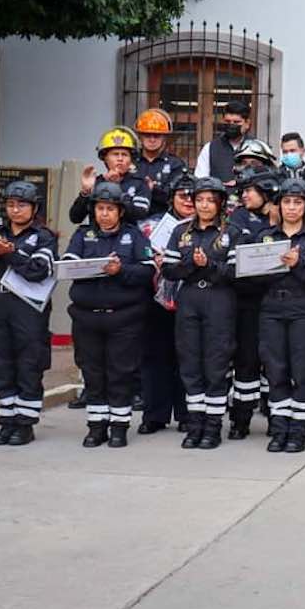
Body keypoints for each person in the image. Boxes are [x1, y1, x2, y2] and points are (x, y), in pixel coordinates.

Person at [61, 182, 155, 448]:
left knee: (120, 372)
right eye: (100, 208)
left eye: (110, 209)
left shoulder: (134, 236)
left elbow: (147, 271)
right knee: (92, 372)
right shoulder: (83, 235)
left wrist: (120, 270)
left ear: (120, 211)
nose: (104, 214)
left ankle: (119, 426)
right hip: (86, 317)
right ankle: (96, 426)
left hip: (124, 318)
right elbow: (67, 265)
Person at [0, 181, 57, 446]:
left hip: (28, 306)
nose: (15, 210)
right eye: (11, 204)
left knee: (29, 360)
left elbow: (38, 270)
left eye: (22, 205)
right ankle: (7, 419)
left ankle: (25, 423)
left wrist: (11, 254)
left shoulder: (43, 236)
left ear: (34, 208)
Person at [251, 178, 305, 453]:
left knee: (303, 370)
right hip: (272, 308)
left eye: (298, 202)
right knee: (276, 370)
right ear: (279, 205)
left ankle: (299, 431)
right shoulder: (266, 236)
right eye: (287, 202)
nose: (292, 207)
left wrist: (299, 263)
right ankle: (279, 428)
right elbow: (250, 278)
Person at [160, 178, 238, 449]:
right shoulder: (181, 231)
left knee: (216, 364)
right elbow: (168, 270)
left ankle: (213, 428)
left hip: (220, 299)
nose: (204, 205)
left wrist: (208, 266)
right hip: (190, 299)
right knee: (190, 362)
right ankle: (194, 426)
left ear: (220, 203)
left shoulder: (232, 232)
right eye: (200, 200)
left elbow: (236, 272)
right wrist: (191, 264)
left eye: (210, 200)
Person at [137, 172, 195, 435]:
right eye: (183, 195)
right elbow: (137, 257)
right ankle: (154, 415)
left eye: (194, 196)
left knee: (188, 358)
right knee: (154, 358)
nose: (189, 201)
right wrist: (153, 261)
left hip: (192, 299)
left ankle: (186, 414)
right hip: (155, 300)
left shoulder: (211, 228)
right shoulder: (151, 225)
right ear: (171, 198)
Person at [226, 167, 279, 437]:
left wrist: (275, 224)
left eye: (249, 191)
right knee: (246, 361)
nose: (244, 195)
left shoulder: (284, 214)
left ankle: (275, 417)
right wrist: (269, 230)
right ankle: (241, 419)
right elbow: (246, 254)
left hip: (276, 302)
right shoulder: (238, 217)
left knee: (275, 363)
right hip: (246, 302)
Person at [69, 127, 152, 224]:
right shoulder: (95, 183)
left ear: (131, 159)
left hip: (129, 233)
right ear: (105, 158)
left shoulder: (140, 183)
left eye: (124, 154)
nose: (120, 159)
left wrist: (117, 189)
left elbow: (140, 216)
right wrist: (85, 192)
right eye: (115, 154)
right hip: (97, 233)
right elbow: (75, 218)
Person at [134, 109, 188, 216]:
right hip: (132, 220)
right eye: (147, 135)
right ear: (140, 136)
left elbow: (177, 197)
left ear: (164, 137)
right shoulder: (130, 161)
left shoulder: (176, 164)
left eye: (157, 135)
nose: (152, 140)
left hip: (165, 219)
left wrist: (154, 190)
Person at [195, 100, 252, 183]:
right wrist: (219, 185)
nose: (231, 125)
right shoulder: (210, 148)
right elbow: (200, 180)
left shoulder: (257, 148)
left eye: (236, 122)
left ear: (247, 123)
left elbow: (264, 178)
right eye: (227, 121)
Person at [278, 132, 305, 208]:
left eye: (292, 151)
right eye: (285, 152)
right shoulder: (274, 178)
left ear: (303, 151)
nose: (288, 155)